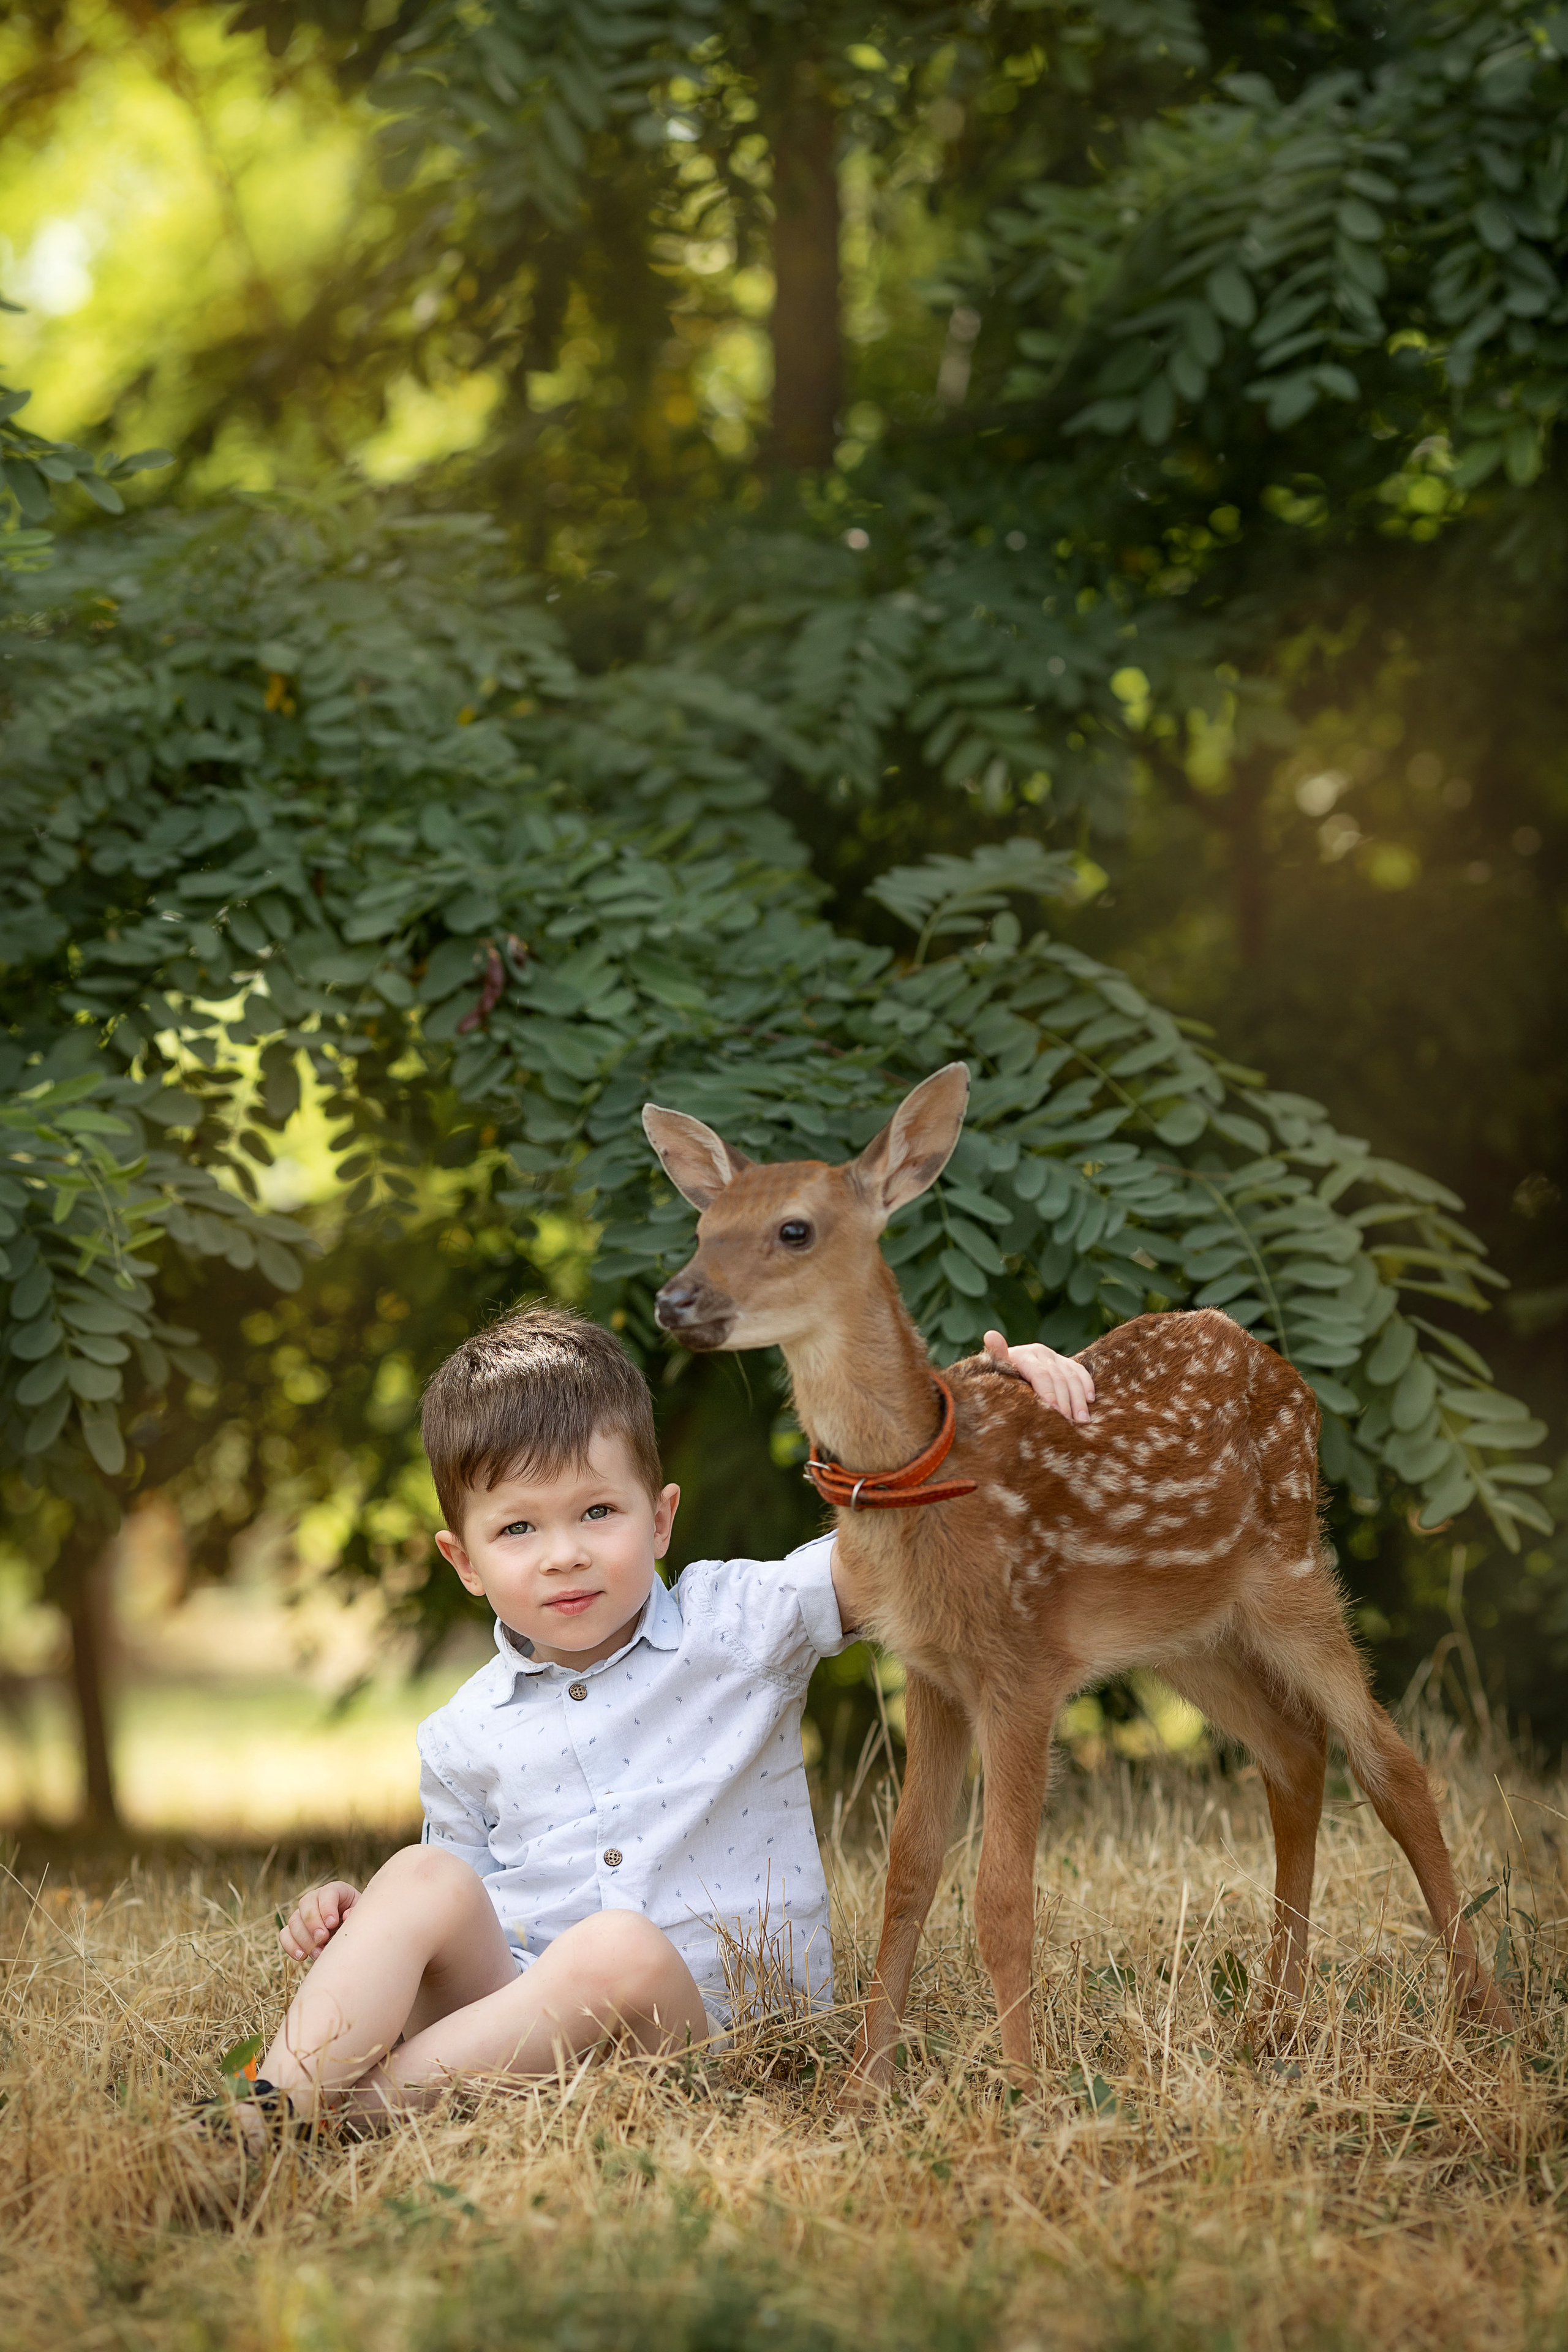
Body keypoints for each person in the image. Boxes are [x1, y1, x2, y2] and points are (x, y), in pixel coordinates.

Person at [220, 1308, 1093, 2136]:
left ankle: (335, 2115)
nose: (565, 1552)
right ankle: (259, 2114)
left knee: (617, 1950)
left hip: (706, 2031)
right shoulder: (463, 1732)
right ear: (465, 1562)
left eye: (598, 1512)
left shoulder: (739, 1623)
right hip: (524, 2023)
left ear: (661, 1518)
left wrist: (991, 1408)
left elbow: (896, 1546)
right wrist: (357, 1918)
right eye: (518, 1528)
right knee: (416, 1878)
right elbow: (462, 1921)